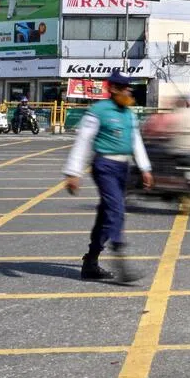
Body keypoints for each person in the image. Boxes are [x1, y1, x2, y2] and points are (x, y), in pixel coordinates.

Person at [63, 71, 153, 283]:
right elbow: (84, 140)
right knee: (116, 209)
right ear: (112, 88)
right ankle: (120, 256)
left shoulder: (129, 114)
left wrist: (145, 168)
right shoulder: (99, 111)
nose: (128, 91)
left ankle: (91, 262)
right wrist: (73, 172)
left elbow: (136, 141)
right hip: (104, 165)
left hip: (123, 167)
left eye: (129, 87)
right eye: (123, 87)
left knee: (105, 215)